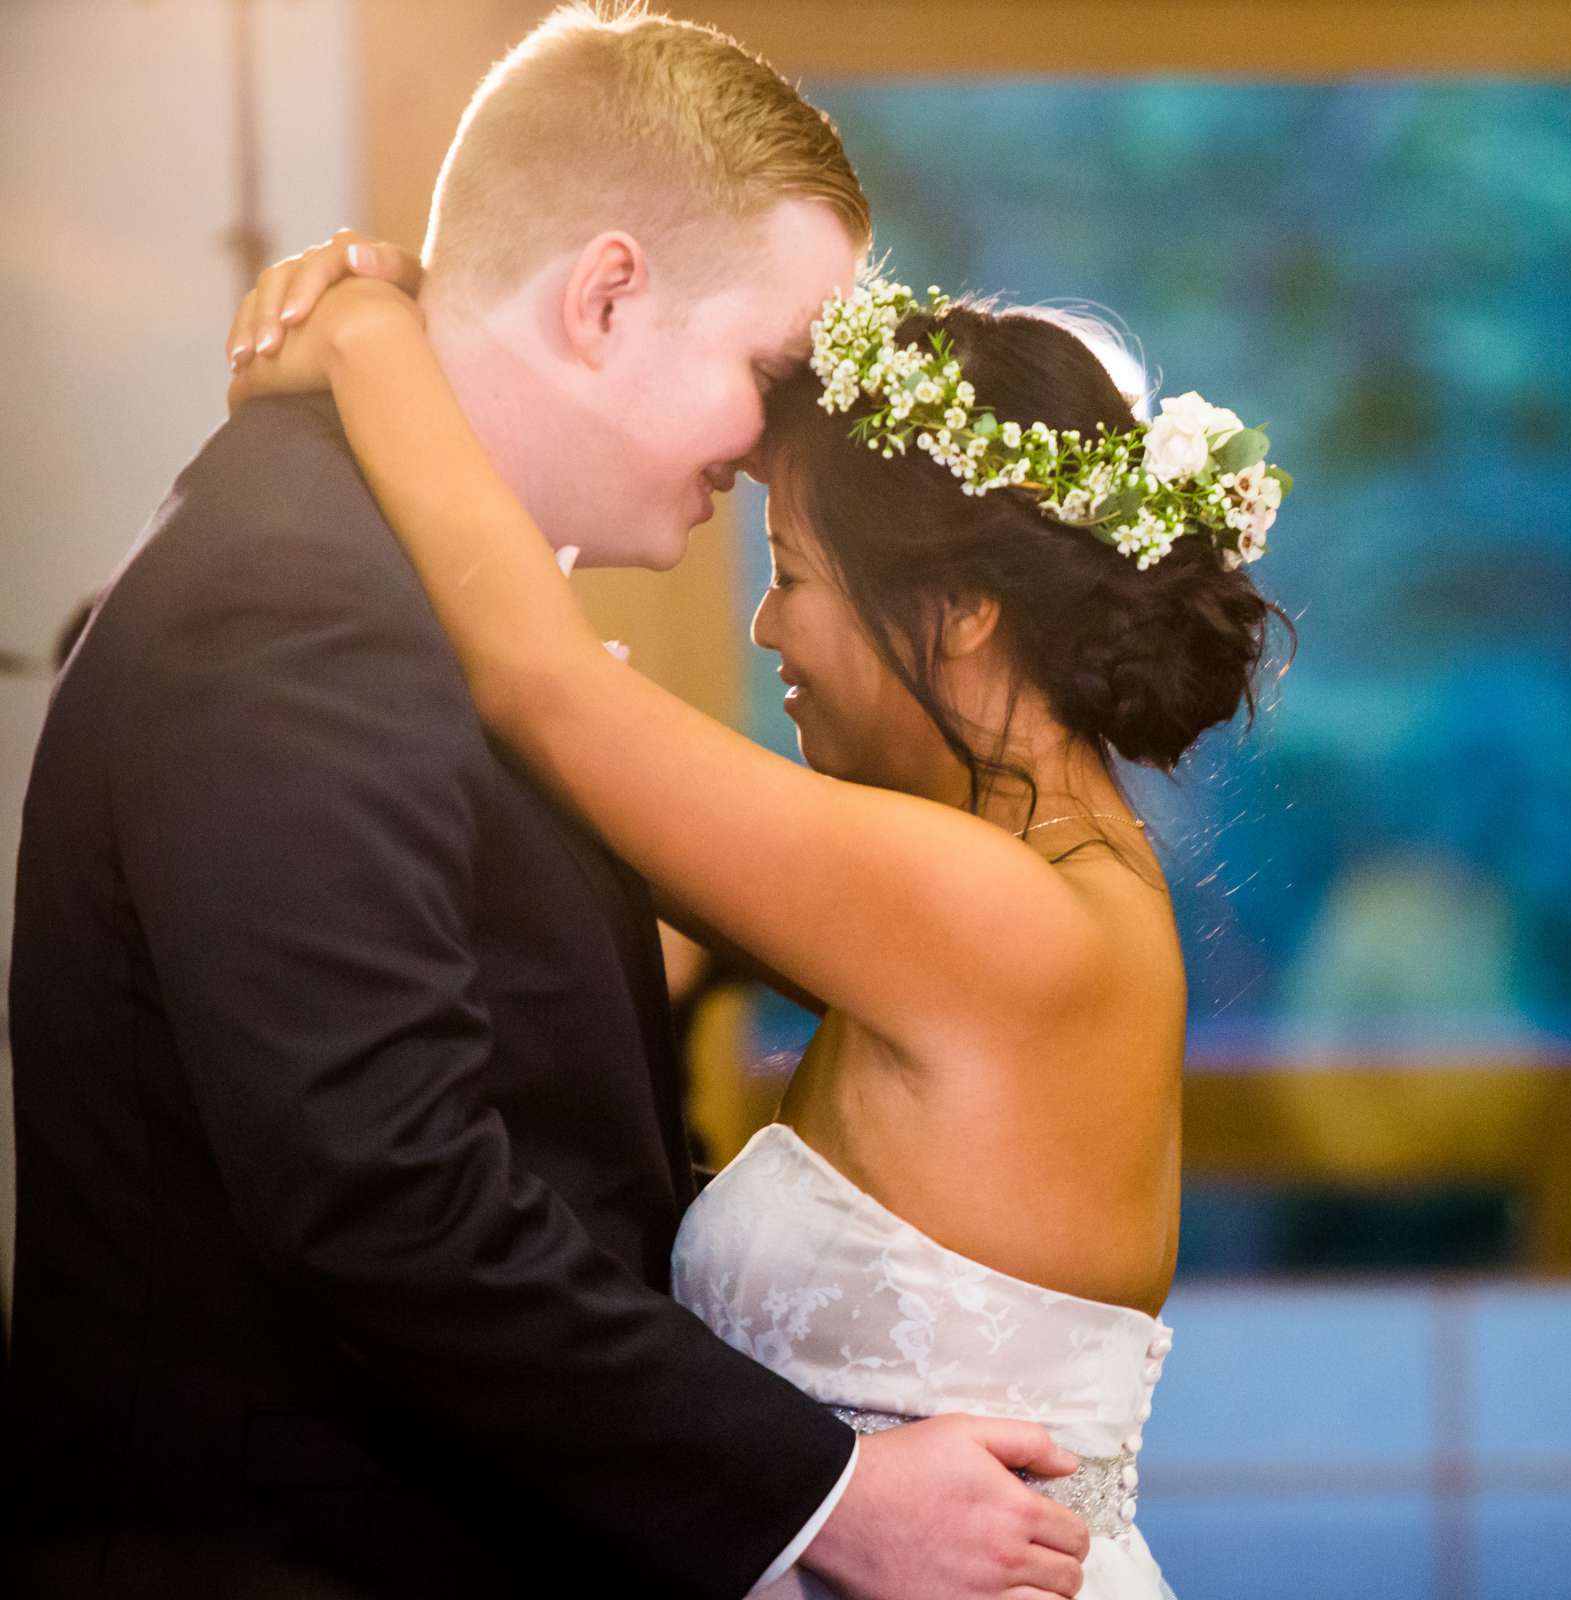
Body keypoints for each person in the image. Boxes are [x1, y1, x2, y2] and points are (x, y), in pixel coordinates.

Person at [7, 8, 1095, 1598]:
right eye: (769, 370)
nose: (780, 442)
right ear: (604, 298)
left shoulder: (391, 578)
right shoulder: (301, 599)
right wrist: (828, 1496)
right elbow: (382, 1189)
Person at [217, 213, 1290, 1593]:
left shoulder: (996, 911)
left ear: (960, 608)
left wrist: (376, 336)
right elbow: (603, 849)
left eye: (790, 576)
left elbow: (547, 691)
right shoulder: (1009, 875)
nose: (765, 629)